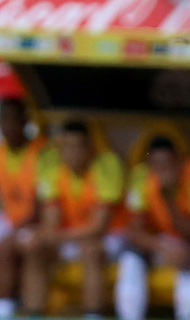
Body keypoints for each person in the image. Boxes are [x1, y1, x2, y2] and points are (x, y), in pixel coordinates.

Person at [20, 120, 126, 317]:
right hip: (71, 235)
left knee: (91, 250)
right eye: (68, 147)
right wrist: (44, 236)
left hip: (111, 236)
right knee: (35, 247)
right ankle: (33, 313)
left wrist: (58, 236)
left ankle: (92, 314)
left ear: (89, 148)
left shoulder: (106, 166)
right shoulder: (54, 168)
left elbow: (98, 227)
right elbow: (51, 221)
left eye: (78, 147)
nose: (73, 153)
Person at [0, 99, 54, 319]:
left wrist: (8, 235)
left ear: (25, 122)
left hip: (34, 223)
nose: (7, 126)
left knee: (6, 250)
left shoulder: (42, 153)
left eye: (13, 120)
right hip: (8, 221)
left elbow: (43, 206)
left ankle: (4, 308)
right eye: (4, 120)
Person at [115, 136, 190, 320]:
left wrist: (169, 197)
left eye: (168, 163)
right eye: (157, 164)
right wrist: (161, 246)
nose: (163, 169)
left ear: (179, 161)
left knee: (185, 259)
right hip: (160, 243)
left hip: (185, 243)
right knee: (131, 259)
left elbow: (187, 233)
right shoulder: (142, 177)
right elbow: (134, 230)